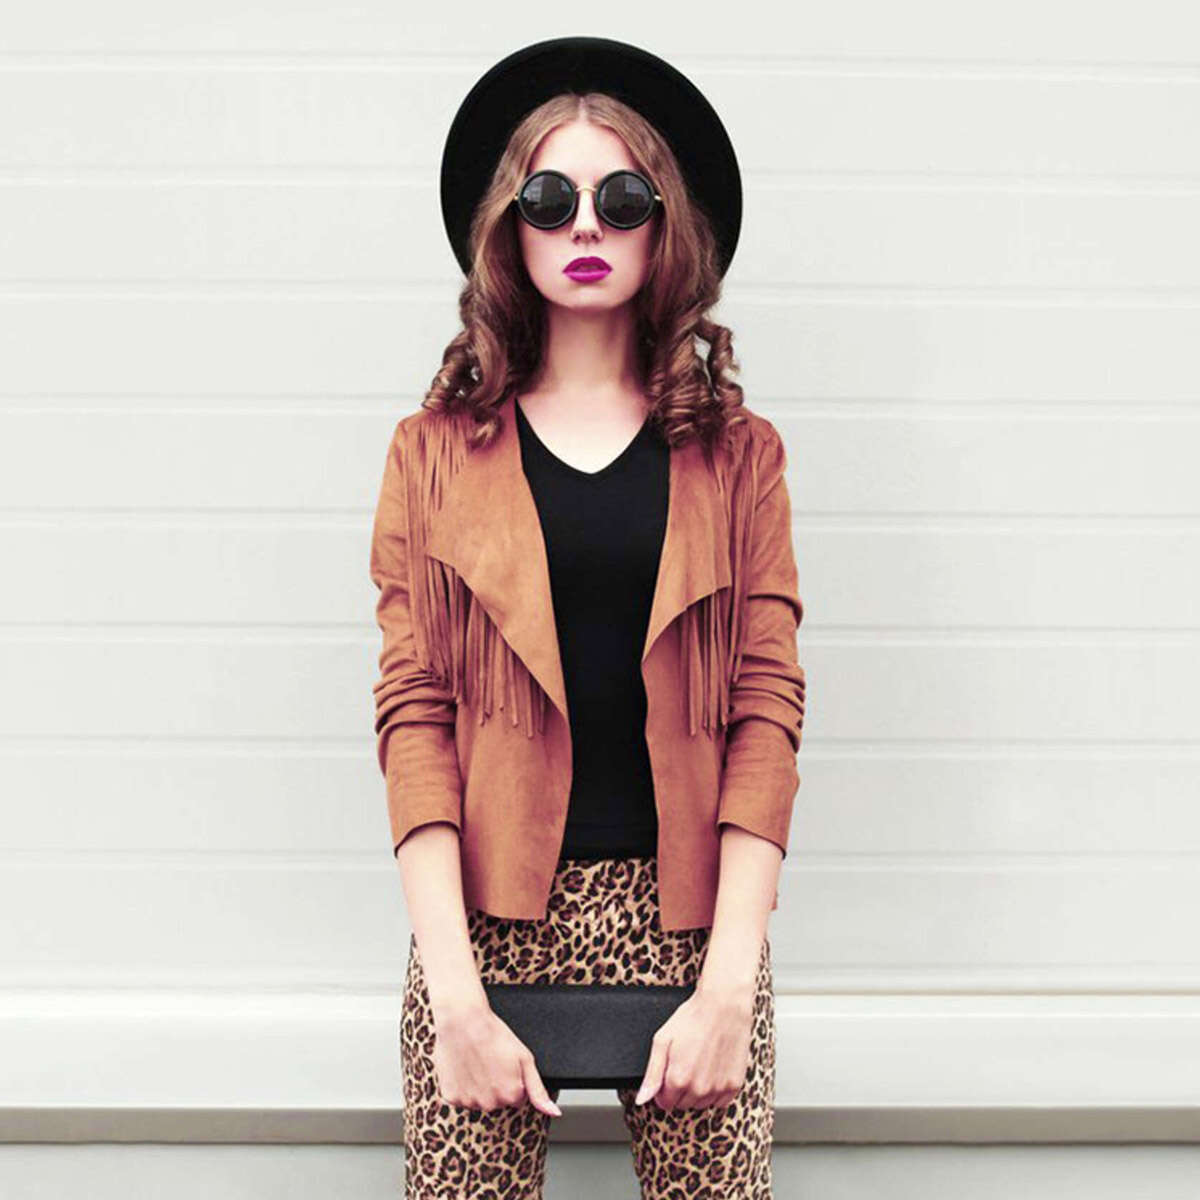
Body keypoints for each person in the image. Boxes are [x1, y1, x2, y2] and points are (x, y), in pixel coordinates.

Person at [369, 37, 806, 1199]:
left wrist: (729, 989)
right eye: (548, 199)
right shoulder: (429, 456)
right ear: (507, 228)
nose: (584, 228)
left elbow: (766, 714)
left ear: (666, 229)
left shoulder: (740, 457)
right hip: (482, 930)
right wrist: (455, 1002)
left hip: (693, 927)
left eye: (622, 200)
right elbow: (415, 723)